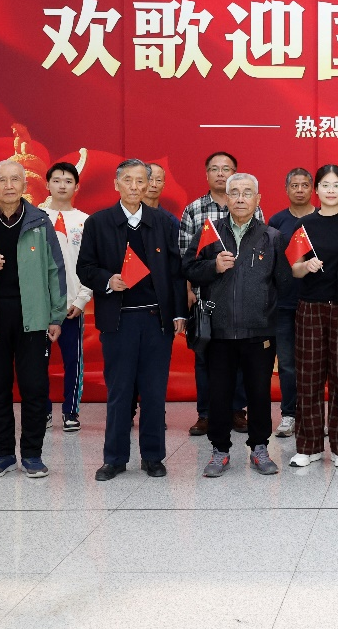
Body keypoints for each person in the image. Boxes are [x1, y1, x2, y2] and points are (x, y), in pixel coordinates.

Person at [0, 160, 66, 479]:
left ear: (24, 185)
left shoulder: (40, 221)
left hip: (33, 318)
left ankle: (32, 455)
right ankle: (2, 454)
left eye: (15, 179)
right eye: (2, 180)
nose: (9, 185)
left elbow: (56, 270)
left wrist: (56, 315)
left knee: (35, 387)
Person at [79, 159, 186, 481]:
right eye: (128, 180)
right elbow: (85, 267)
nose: (135, 187)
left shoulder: (162, 222)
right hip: (119, 321)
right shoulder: (99, 222)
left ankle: (153, 457)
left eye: (141, 181)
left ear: (149, 184)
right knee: (119, 392)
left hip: (156, 320)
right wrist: (107, 280)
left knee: (154, 392)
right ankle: (114, 458)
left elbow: (176, 272)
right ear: (116, 184)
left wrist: (179, 312)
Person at [185, 173, 293, 478]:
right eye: (235, 192)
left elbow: (284, 282)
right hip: (219, 330)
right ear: (227, 198)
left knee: (259, 393)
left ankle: (260, 448)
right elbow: (189, 269)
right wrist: (213, 266)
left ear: (258, 199)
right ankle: (219, 450)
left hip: (259, 331)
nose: (241, 198)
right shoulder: (210, 232)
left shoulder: (272, 237)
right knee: (219, 394)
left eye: (247, 193)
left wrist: (265, 308)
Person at [179, 152, 259, 436]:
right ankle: (206, 413)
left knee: (240, 358)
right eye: (215, 169)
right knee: (205, 357)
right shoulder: (194, 210)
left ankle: (237, 411)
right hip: (206, 297)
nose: (221, 173)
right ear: (207, 174)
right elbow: (185, 256)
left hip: (243, 300)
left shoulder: (252, 206)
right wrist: (188, 290)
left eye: (227, 169)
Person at [289, 164, 338, 468]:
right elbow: (294, 269)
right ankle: (309, 446)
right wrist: (306, 266)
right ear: (316, 190)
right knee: (309, 379)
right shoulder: (304, 224)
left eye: (337, 185)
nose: (331, 190)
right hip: (311, 307)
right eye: (325, 185)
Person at [40, 161, 92, 432]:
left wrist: (81, 300)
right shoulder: (34, 217)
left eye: (68, 181)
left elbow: (92, 264)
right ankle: (42, 411)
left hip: (72, 305)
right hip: (39, 306)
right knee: (38, 362)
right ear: (47, 184)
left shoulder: (86, 221)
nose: (62, 185)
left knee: (73, 360)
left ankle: (71, 412)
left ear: (77, 186)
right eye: (57, 180)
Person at [267, 168, 315, 439]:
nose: (299, 190)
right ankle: (289, 414)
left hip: (316, 302)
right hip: (284, 303)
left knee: (316, 363)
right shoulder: (277, 221)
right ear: (286, 189)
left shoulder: (321, 218)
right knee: (286, 363)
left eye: (304, 185)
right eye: (294, 185)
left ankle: (315, 415)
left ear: (312, 189)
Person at [142, 162, 179, 228]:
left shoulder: (171, 221)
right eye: (150, 179)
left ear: (163, 185)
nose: (154, 185)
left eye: (158, 180)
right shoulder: (128, 215)